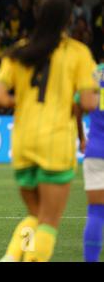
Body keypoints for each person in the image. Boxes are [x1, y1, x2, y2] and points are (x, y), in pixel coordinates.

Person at [0, 0, 99, 262]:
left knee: (35, 216)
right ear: (69, 19)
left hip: (23, 140)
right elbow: (88, 101)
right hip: (56, 142)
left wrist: (24, 101)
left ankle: (13, 256)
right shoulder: (78, 52)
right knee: (50, 221)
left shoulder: (20, 50)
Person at [77, 62, 104, 262]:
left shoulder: (95, 72)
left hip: (96, 150)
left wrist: (82, 137)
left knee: (95, 212)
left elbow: (77, 106)